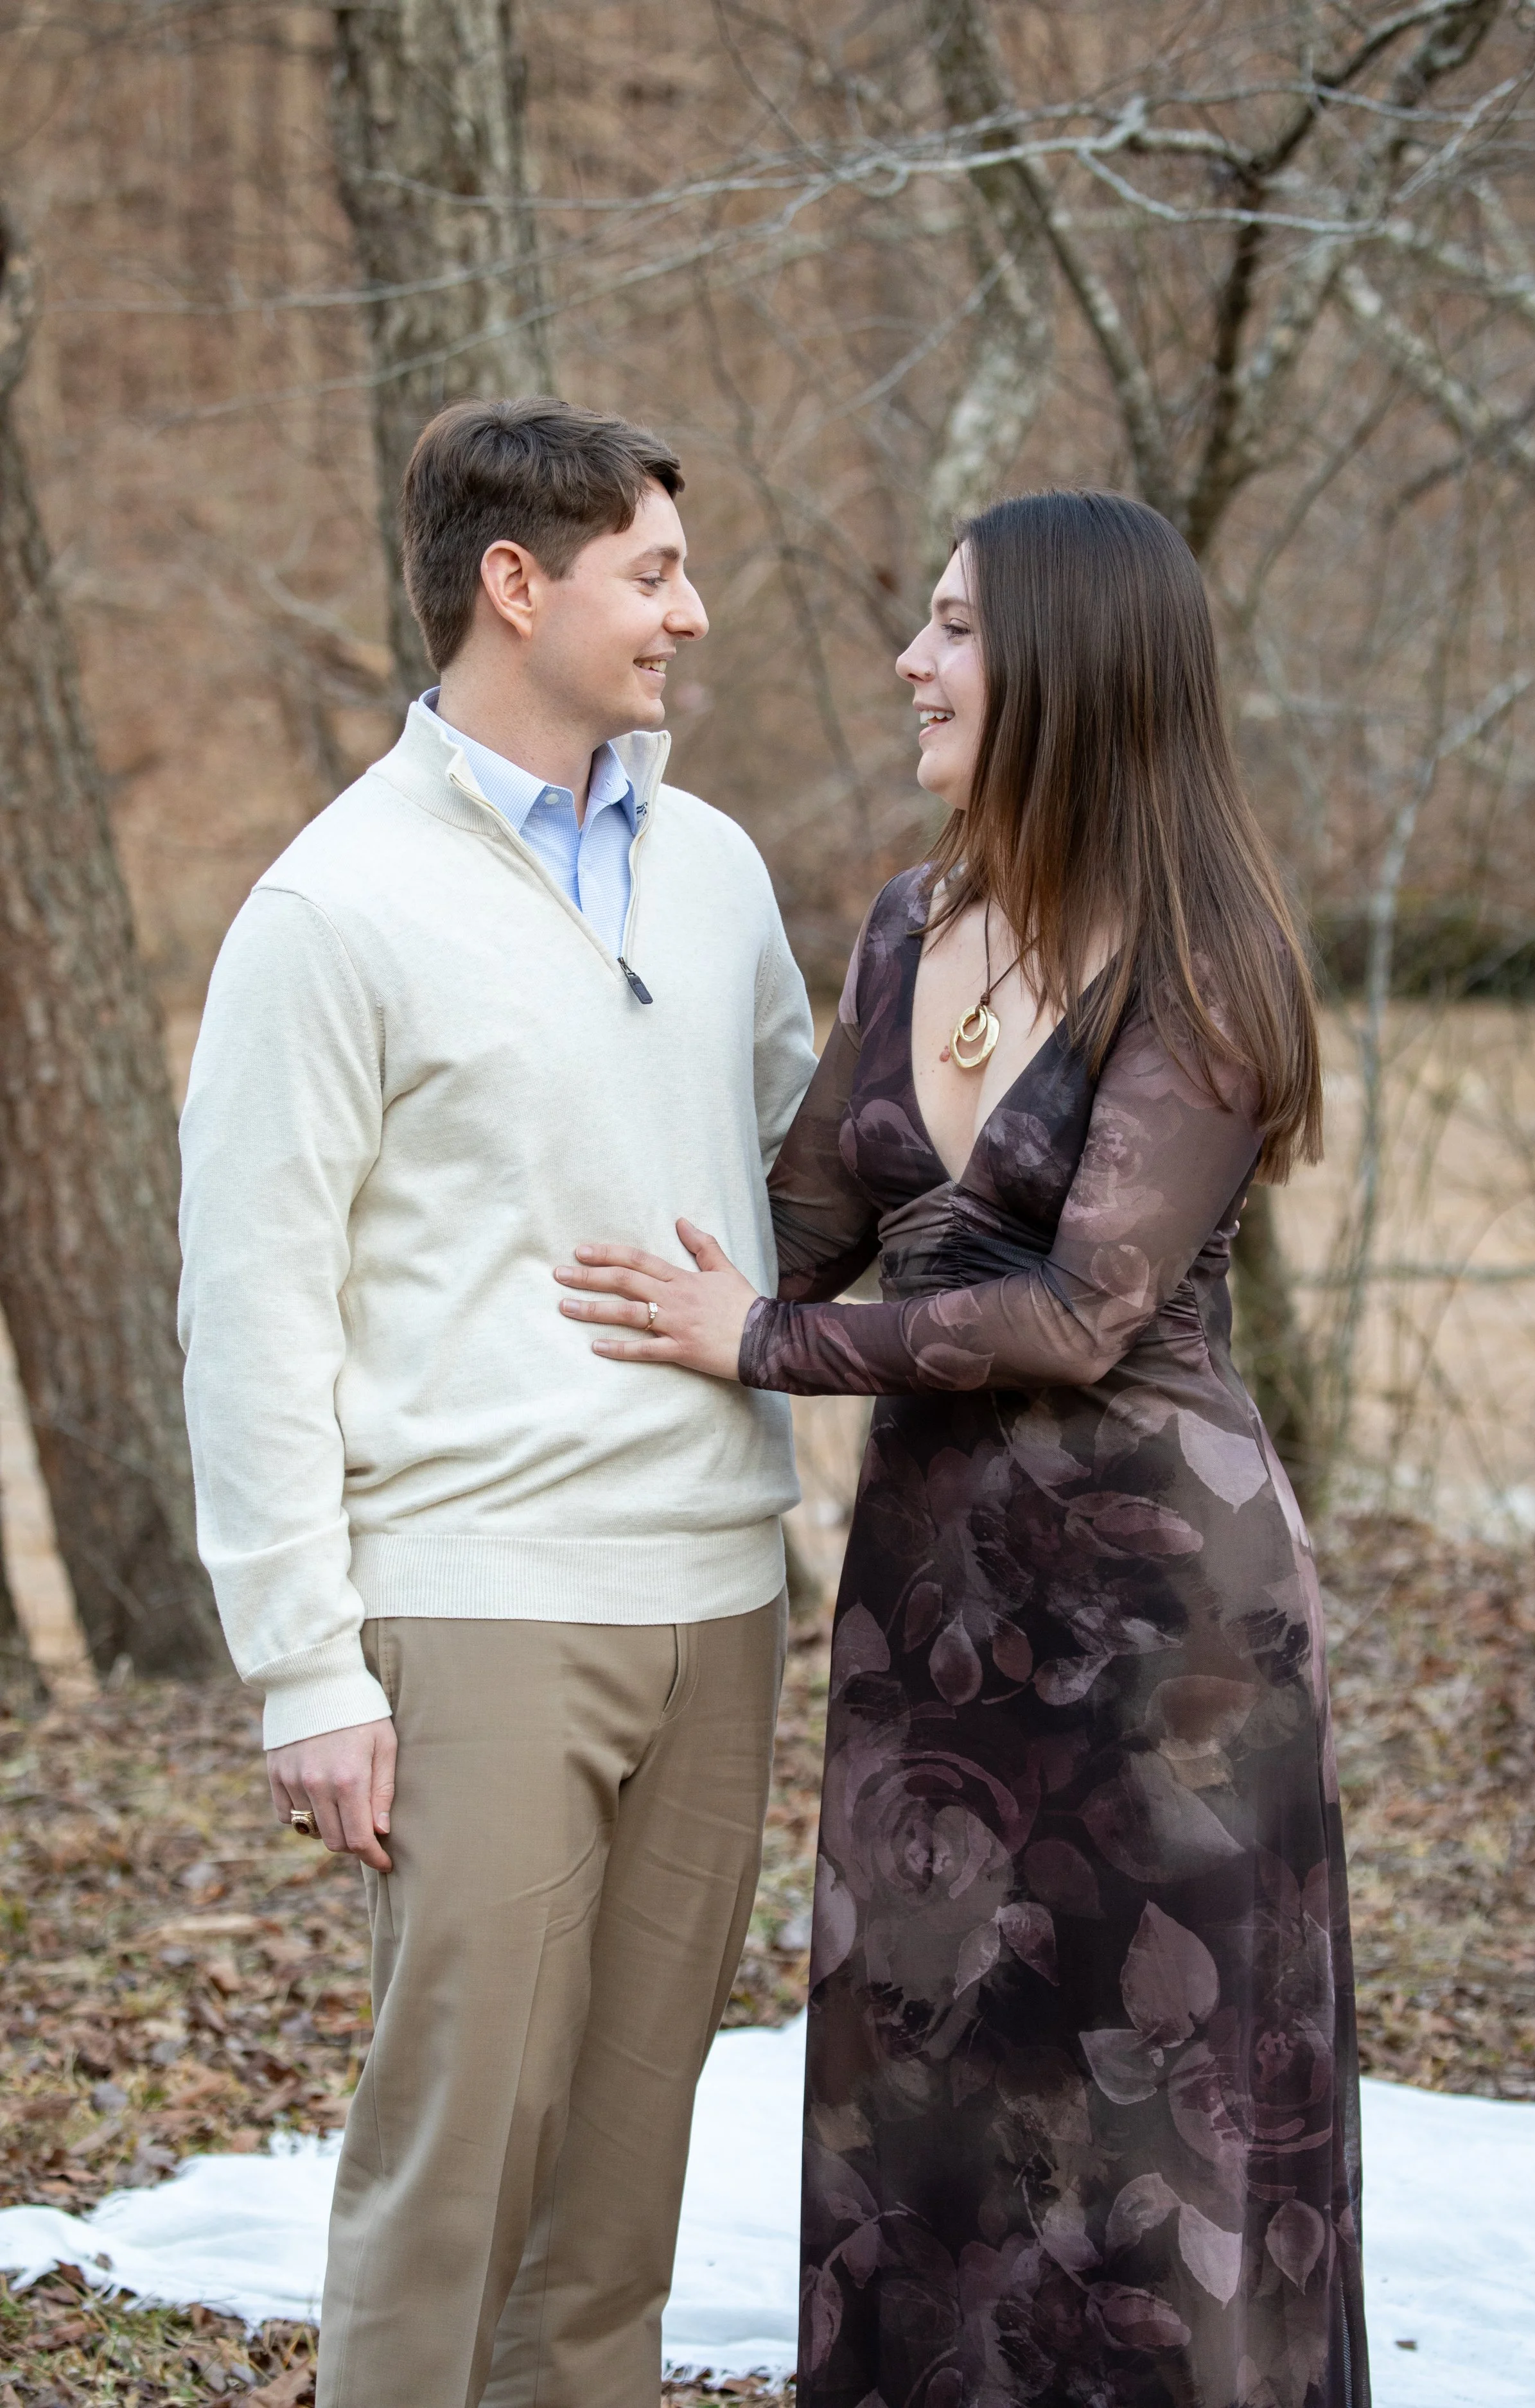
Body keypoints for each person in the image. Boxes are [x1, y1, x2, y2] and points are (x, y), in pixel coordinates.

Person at [557, 490, 1371, 2408]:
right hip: (929, 1610)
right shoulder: (912, 920)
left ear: (1070, 672)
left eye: (950, 630)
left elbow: (1081, 1308)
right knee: (922, 2089)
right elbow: (802, 1220)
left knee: (1154, 2125)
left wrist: (762, 1342)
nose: (910, 664)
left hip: (1165, 1632)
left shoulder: (1209, 950)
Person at [176, 397, 817, 2408]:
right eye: (651, 571)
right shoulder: (331, 909)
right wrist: (305, 1664)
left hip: (719, 1597)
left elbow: (805, 1155)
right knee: (455, 2171)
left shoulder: (712, 869)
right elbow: (252, 1305)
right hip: (481, 1609)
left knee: (621, 2202)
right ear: (512, 584)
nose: (689, 616)